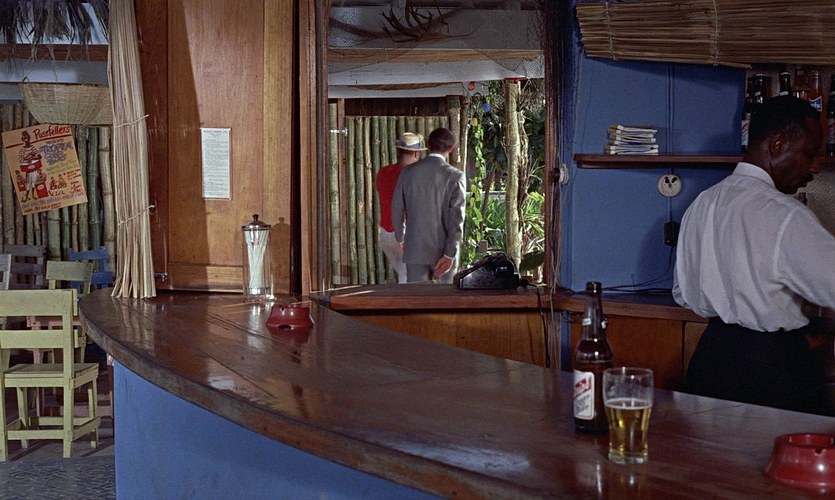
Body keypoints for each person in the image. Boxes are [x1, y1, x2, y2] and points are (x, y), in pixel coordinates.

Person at [673, 95, 835, 415]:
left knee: (709, 448)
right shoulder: (786, 215)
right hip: (773, 370)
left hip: (709, 361)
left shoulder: (702, 204)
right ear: (777, 144)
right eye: (809, 154)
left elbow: (683, 293)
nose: (815, 167)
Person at [391, 127, 465, 283]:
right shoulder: (456, 176)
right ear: (451, 148)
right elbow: (457, 219)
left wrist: (401, 237)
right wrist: (450, 253)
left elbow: (397, 209)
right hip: (445, 249)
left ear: (428, 144)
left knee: (418, 296)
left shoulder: (407, 173)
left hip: (415, 247)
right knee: (447, 295)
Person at [376, 132, 425, 284]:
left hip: (385, 234)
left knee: (404, 273)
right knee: (408, 280)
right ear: (416, 153)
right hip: (406, 234)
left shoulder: (384, 172)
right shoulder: (416, 176)